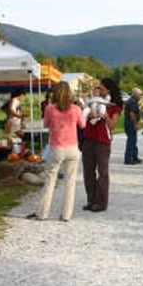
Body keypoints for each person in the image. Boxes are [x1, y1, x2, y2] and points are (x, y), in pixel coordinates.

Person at [27, 82, 85, 222]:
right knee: (70, 183)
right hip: (72, 148)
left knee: (49, 181)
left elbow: (46, 124)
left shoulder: (50, 108)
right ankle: (66, 215)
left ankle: (42, 213)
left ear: (56, 93)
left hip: (57, 148)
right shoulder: (76, 109)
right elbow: (82, 125)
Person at [81, 78, 123, 212]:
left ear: (109, 90)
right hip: (88, 139)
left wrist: (105, 115)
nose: (99, 91)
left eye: (102, 88)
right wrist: (88, 112)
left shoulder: (114, 106)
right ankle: (91, 200)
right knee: (88, 171)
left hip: (103, 141)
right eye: (98, 88)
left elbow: (112, 125)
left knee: (102, 172)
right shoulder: (93, 102)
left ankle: (101, 203)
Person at [123, 88, 143, 165]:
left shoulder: (133, 101)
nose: (141, 96)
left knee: (133, 140)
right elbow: (132, 114)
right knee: (131, 141)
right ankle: (128, 159)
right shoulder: (132, 102)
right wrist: (135, 124)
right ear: (135, 94)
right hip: (130, 123)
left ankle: (134, 157)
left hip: (129, 123)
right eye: (140, 94)